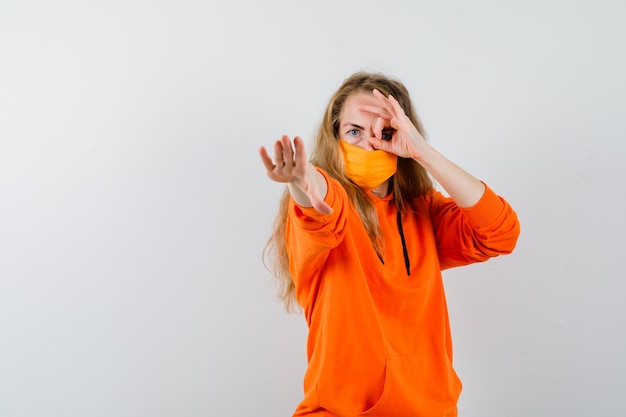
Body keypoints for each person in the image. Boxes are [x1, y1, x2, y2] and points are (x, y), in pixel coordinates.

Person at [259, 71, 520, 417]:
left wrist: (424, 153)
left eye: (384, 133)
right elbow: (320, 204)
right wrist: (300, 181)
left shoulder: (424, 211)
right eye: (354, 131)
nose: (368, 144)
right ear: (334, 137)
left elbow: (501, 232)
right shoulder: (329, 204)